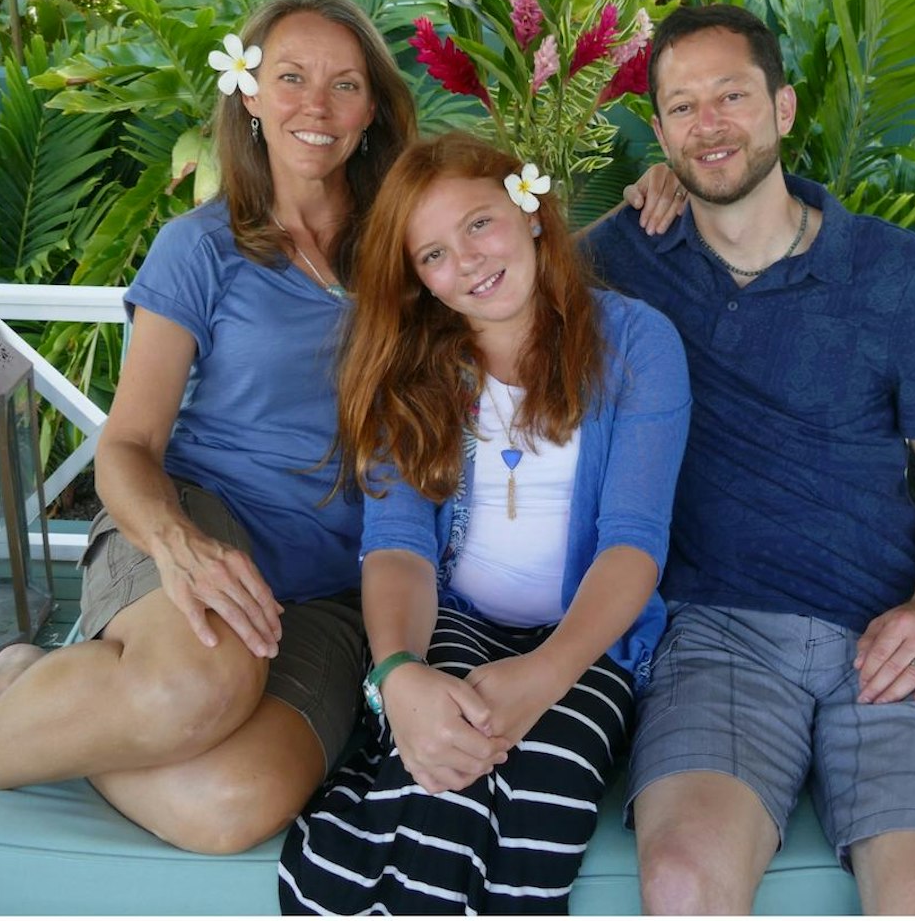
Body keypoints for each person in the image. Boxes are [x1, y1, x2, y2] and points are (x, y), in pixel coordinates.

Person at [0, 0, 416, 852]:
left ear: (372, 109)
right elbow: (128, 444)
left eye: (344, 84)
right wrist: (175, 542)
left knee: (228, 804)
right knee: (193, 690)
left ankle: (48, 687)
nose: (315, 106)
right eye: (290, 77)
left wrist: (660, 189)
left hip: (333, 590)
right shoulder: (203, 246)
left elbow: (525, 248)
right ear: (248, 93)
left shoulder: (408, 246)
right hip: (198, 514)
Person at [585, 3, 915, 913]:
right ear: (660, 133)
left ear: (782, 108)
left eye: (732, 95)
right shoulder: (624, 258)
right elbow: (477, 272)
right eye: (682, 107)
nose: (709, 125)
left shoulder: (893, 269)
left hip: (892, 631)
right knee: (680, 878)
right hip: (719, 634)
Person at [277, 132, 689, 912]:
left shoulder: (637, 344)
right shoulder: (418, 370)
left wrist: (544, 674)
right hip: (456, 618)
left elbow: (634, 542)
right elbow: (397, 545)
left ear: (531, 212)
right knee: (440, 781)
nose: (464, 262)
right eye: (431, 255)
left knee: (545, 800)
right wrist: (397, 673)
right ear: (420, 282)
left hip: (588, 639)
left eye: (477, 224)